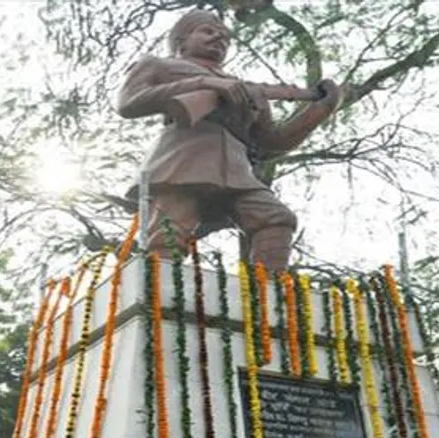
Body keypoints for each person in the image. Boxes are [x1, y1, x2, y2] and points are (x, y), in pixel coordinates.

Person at [117, 9, 342, 272]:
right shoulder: (160, 66)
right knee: (167, 238)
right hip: (181, 164)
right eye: (208, 32)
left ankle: (271, 299)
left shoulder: (246, 88)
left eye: (225, 37)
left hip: (237, 172)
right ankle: (155, 303)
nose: (219, 39)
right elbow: (129, 103)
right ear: (181, 41)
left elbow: (271, 142)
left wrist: (320, 110)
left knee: (276, 219)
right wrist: (206, 83)